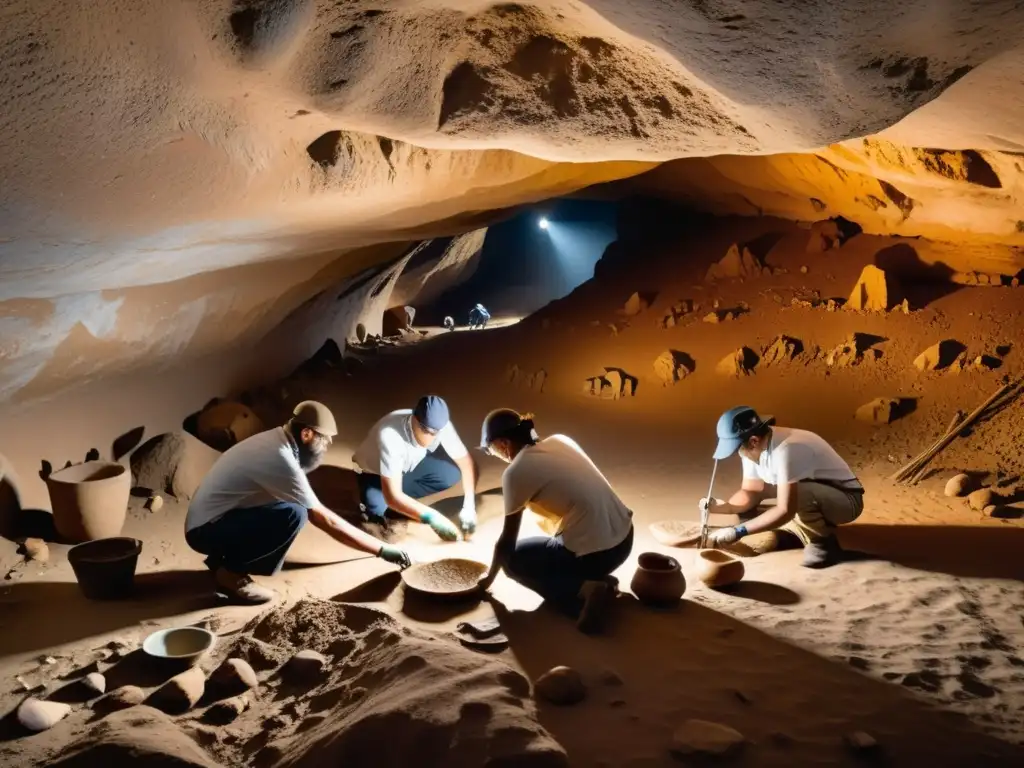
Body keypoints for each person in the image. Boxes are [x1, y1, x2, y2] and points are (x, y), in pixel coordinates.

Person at [185, 401, 411, 604]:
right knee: (294, 513)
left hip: (213, 517)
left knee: (288, 506)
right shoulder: (279, 457)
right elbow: (324, 519)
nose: (326, 447)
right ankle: (231, 575)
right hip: (205, 529)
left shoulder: (276, 440)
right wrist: (382, 550)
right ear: (306, 434)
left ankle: (221, 561)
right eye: (324, 441)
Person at [476, 408, 634, 633]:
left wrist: (486, 581)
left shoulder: (515, 472)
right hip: (625, 539)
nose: (495, 455)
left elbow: (506, 543)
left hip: (597, 555)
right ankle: (596, 582)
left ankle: (580, 599)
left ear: (503, 443)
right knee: (547, 545)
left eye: (491, 450)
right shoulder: (561, 441)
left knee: (513, 561)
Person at [701, 406, 864, 568]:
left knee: (798, 496)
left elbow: (786, 510)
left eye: (737, 449)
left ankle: (822, 542)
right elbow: (751, 491)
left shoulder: (787, 450)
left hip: (846, 501)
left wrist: (738, 531)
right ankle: (798, 530)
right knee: (750, 510)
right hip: (815, 492)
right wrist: (723, 507)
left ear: (753, 441)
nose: (738, 453)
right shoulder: (753, 446)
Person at [352, 395, 478, 540]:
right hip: (375, 474)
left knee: (450, 474)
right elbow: (392, 497)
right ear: (414, 418)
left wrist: (469, 507)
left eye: (435, 433)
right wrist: (433, 518)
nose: (430, 437)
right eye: (425, 430)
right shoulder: (390, 435)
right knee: (376, 510)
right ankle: (388, 502)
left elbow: (466, 463)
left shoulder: (441, 426)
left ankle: (404, 503)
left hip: (407, 467)